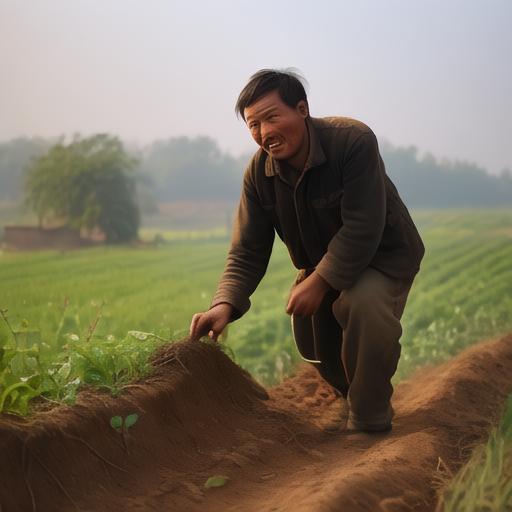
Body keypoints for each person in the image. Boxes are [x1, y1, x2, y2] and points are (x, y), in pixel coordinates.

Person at [189, 69, 425, 432]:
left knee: (363, 306)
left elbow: (364, 225)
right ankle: (351, 391)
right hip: (322, 265)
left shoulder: (352, 142)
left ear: (302, 109)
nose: (264, 133)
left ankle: (370, 418)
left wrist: (319, 282)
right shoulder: (258, 174)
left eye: (272, 117)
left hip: (384, 255)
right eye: (253, 124)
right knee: (316, 346)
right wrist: (223, 305)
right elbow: (247, 250)